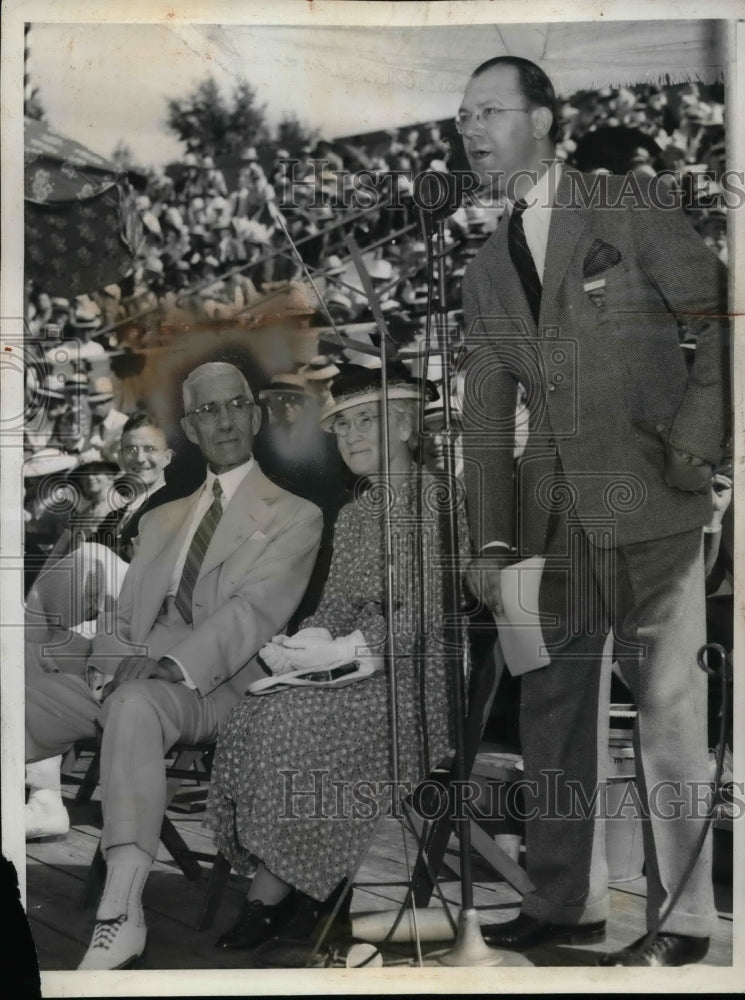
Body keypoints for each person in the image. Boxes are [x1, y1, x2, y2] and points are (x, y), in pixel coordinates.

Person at [457, 57, 729, 966]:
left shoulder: (628, 202)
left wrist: (698, 438)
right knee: (552, 713)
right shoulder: (484, 269)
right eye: (462, 117)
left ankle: (684, 921)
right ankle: (561, 898)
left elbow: (720, 312)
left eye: (488, 111)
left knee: (667, 711)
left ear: (543, 119)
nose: (469, 130)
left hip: (655, 495)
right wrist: (493, 539)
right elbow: (488, 420)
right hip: (550, 520)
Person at [24, 361, 323, 970]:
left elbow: (250, 615)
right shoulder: (163, 517)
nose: (224, 420)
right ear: (190, 426)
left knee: (134, 703)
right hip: (135, 674)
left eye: (235, 405)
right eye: (207, 411)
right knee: (14, 697)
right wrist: (93, 654)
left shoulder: (296, 513)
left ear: (255, 413)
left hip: (217, 686)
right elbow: (128, 618)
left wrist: (162, 666)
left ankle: (120, 913)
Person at [205, 363, 463, 958]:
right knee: (259, 713)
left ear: (403, 424)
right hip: (358, 668)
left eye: (363, 421)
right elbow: (340, 603)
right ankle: (306, 889)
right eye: (341, 426)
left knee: (294, 723)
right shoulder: (356, 512)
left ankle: (280, 896)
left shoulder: (438, 499)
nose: (347, 437)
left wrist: (350, 650)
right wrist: (308, 643)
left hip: (415, 679)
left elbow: (426, 610)